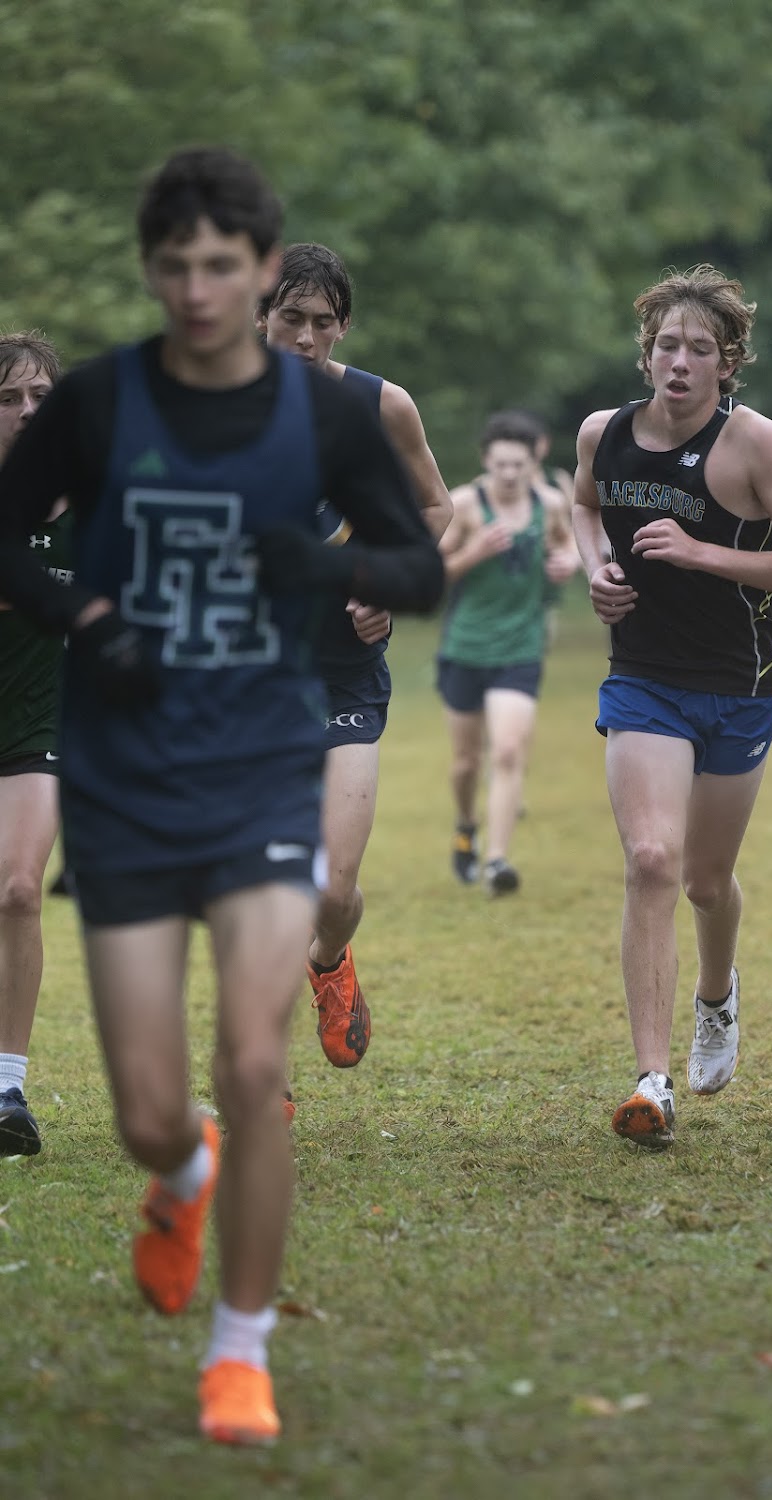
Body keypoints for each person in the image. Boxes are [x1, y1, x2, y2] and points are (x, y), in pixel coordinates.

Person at [0, 148, 443, 1444]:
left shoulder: (335, 421)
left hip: (264, 761)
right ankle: (181, 1169)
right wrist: (88, 616)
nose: (198, 288)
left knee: (252, 1064)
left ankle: (240, 1350)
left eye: (222, 264)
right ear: (157, 273)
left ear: (257, 271)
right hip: (132, 776)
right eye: (177, 266)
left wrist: (339, 569)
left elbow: (420, 561)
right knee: (150, 1112)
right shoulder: (99, 405)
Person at [572, 264, 772, 1148]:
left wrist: (699, 552)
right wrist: (596, 571)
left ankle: (716, 999)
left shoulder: (753, 443)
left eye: (699, 349)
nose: (679, 362)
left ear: (727, 363)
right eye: (666, 345)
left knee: (705, 882)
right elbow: (583, 506)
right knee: (651, 859)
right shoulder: (603, 434)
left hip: (739, 687)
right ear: (646, 355)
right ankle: (651, 1083)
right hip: (643, 680)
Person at [255, 242, 451, 1075]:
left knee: (333, 890)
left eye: (323, 322)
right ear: (260, 317)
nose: (305, 338)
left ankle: (329, 962)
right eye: (289, 318)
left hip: (344, 674)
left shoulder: (381, 406)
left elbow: (435, 507)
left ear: (343, 327)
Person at [438, 410, 579, 895]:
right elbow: (428, 574)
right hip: (466, 646)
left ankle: (497, 861)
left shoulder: (550, 504)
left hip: (521, 646)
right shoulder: (465, 505)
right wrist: (473, 552)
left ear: (531, 463)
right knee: (466, 763)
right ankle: (465, 826)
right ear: (486, 461)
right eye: (501, 465)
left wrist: (567, 563)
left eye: (519, 465)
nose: (510, 474)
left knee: (507, 751)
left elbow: (568, 544)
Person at [0, 332, 68, 1157]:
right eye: (9, 398)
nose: (27, 412)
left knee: (19, 890)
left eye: (41, 399)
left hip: (38, 723)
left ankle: (7, 1088)